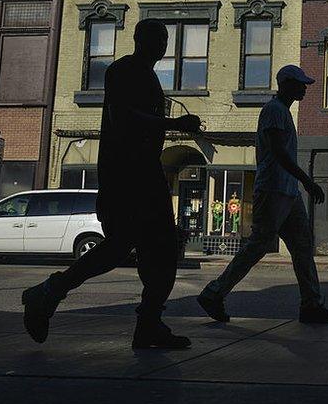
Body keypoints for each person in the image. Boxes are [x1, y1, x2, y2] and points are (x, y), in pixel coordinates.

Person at [21, 19, 203, 349]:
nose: (162, 44)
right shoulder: (122, 71)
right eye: (156, 38)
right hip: (126, 177)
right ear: (139, 40)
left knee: (158, 251)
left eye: (164, 39)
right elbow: (124, 118)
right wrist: (174, 122)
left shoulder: (148, 76)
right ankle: (48, 293)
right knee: (123, 247)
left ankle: (148, 322)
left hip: (145, 175)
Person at [197, 65, 328, 324]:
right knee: (258, 246)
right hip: (274, 189)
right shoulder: (274, 111)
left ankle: (311, 304)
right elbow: (278, 153)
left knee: (303, 246)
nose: (304, 88)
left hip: (287, 191)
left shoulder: (283, 112)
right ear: (285, 83)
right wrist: (307, 180)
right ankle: (214, 293)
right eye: (300, 83)